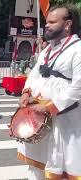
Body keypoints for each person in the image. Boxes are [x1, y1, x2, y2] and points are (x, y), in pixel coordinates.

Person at [17, 5, 81, 179]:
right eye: (47, 22)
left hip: (65, 119)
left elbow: (78, 87)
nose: (47, 25)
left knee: (59, 165)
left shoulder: (78, 49)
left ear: (67, 24)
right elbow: (34, 73)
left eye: (52, 22)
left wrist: (50, 107)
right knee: (36, 163)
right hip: (38, 116)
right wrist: (26, 92)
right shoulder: (47, 50)